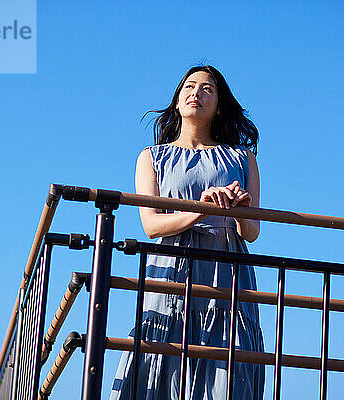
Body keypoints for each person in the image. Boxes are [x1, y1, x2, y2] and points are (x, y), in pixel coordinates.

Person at [110, 65, 264, 399]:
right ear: (179, 101)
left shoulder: (242, 157)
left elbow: (252, 232)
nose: (197, 92)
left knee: (228, 375)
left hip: (227, 274)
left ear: (219, 105)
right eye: (189, 87)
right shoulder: (152, 157)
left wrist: (236, 209)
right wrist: (201, 208)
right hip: (172, 277)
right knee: (166, 368)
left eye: (207, 88)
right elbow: (151, 225)